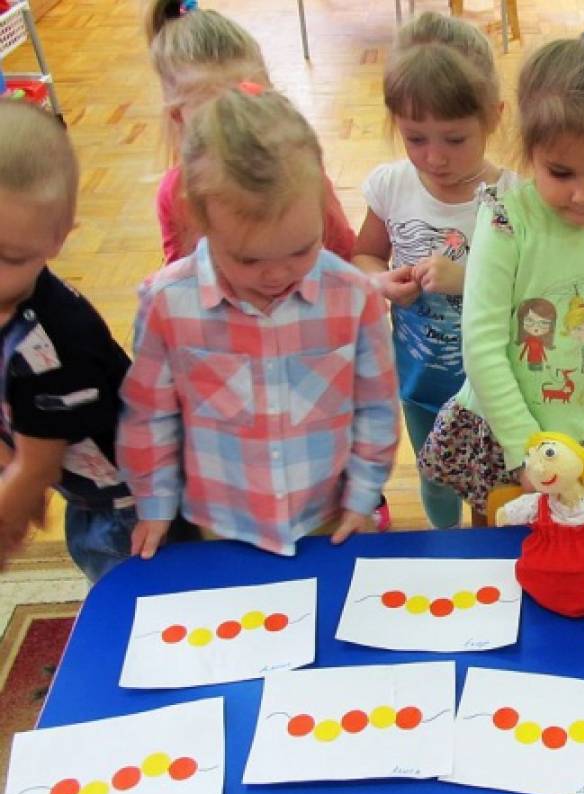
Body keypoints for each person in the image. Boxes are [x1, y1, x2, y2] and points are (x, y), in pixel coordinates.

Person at [118, 86, 400, 558]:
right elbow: (150, 414)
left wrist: (364, 495)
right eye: (248, 260)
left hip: (330, 518)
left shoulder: (354, 297)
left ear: (323, 209)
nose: (276, 275)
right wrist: (155, 502)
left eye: (300, 250)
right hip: (220, 525)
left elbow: (375, 407)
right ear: (200, 219)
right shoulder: (167, 303)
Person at [417, 31, 584, 522]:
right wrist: (522, 445)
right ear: (529, 154)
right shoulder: (504, 219)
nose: (582, 196)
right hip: (505, 429)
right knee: (500, 549)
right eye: (560, 173)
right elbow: (481, 343)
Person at [0, 100, 192, 582]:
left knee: (141, 598)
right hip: (81, 482)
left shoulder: (50, 344)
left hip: (134, 502)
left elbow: (34, 469)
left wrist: (9, 516)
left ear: (58, 238)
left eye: (9, 259)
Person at [353, 11, 517, 529]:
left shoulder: (513, 199)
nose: (435, 157)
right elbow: (365, 255)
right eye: (415, 138)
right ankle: (449, 544)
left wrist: (468, 280)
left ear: (494, 116)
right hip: (422, 379)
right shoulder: (391, 186)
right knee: (434, 474)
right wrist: (379, 282)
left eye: (454, 138)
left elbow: (535, 293)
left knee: (498, 480)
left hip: (497, 386)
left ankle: (488, 549)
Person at [144, 0, 356, 266]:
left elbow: (345, 257)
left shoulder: (299, 169)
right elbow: (180, 281)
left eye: (250, 100)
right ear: (179, 118)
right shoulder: (175, 194)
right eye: (217, 115)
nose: (238, 124)